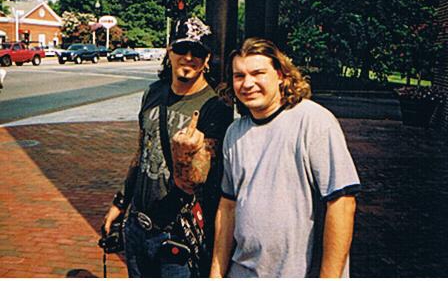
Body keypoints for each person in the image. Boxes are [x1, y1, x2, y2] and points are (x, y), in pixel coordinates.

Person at [210, 37, 361, 278]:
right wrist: (216, 274)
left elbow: (342, 204)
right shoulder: (234, 133)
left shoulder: (313, 121)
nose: (247, 83)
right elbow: (228, 207)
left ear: (281, 75)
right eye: (239, 76)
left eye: (258, 73)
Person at [103, 17, 233, 278]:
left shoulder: (215, 107)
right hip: (137, 226)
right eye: (181, 49)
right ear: (169, 51)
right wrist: (120, 202)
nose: (188, 57)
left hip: (176, 234)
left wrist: (185, 155)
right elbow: (142, 152)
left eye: (197, 52)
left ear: (207, 60)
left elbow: (197, 181)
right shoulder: (153, 93)